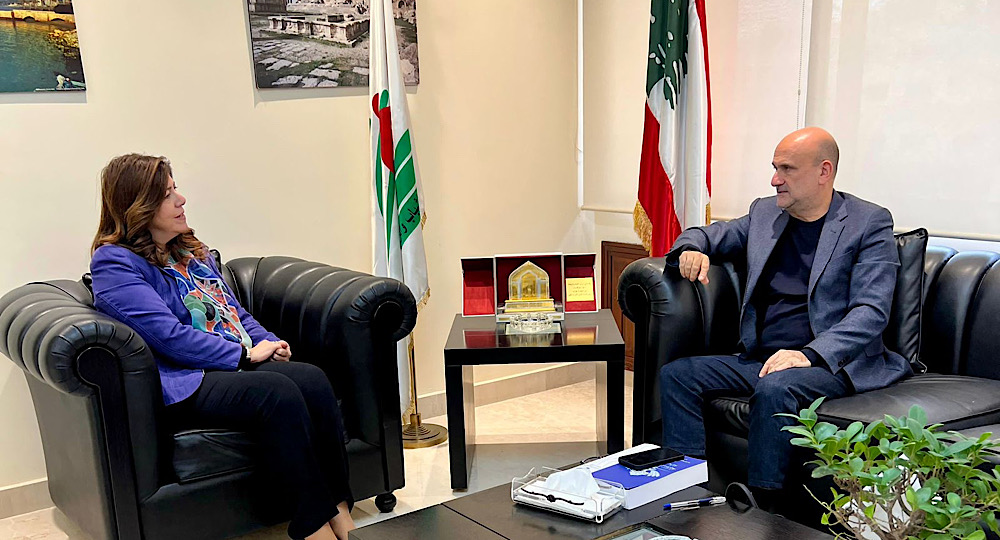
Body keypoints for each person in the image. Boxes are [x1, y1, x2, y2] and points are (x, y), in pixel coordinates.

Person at [89, 154, 355, 540]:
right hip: (186, 378)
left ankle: (341, 512)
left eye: (176, 189)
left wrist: (266, 341)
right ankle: (313, 527)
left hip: (231, 361)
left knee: (312, 380)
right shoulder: (114, 264)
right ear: (138, 205)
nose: (181, 200)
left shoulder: (190, 252)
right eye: (166, 195)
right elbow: (168, 337)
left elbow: (233, 312)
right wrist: (243, 354)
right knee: (276, 392)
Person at [659, 127, 912, 509]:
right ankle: (687, 490)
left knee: (776, 388)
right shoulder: (766, 212)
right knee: (679, 375)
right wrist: (691, 248)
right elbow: (711, 234)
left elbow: (871, 311)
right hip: (763, 357)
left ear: (824, 171)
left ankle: (763, 507)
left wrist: (809, 354)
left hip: (830, 363)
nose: (775, 179)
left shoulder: (867, 222)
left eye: (787, 169)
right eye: (775, 168)